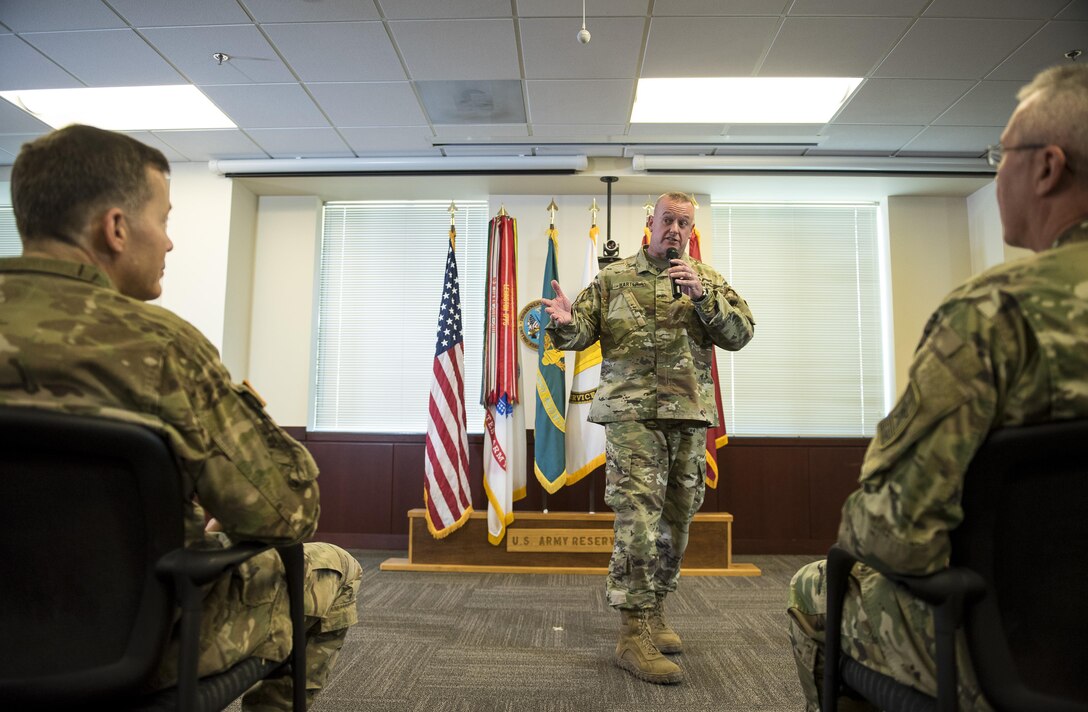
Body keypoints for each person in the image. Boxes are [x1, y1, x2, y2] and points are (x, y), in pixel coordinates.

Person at [0, 124, 362, 711]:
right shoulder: (162, 348)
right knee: (332, 572)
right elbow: (291, 514)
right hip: (139, 645)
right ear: (115, 228)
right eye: (164, 221)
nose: (169, 243)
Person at [787, 62, 1088, 712]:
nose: (995, 170)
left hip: (1021, 651)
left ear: (1048, 167)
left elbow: (894, 532)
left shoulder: (993, 314)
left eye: (999, 151)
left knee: (817, 587)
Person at [543, 192, 755, 684]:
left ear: (690, 229)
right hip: (631, 415)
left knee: (678, 518)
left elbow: (741, 333)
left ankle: (656, 609)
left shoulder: (708, 281)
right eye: (667, 220)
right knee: (638, 516)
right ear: (650, 223)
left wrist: (704, 299)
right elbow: (580, 334)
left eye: (684, 222)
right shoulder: (614, 279)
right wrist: (566, 324)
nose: (675, 229)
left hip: (689, 417)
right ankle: (631, 631)